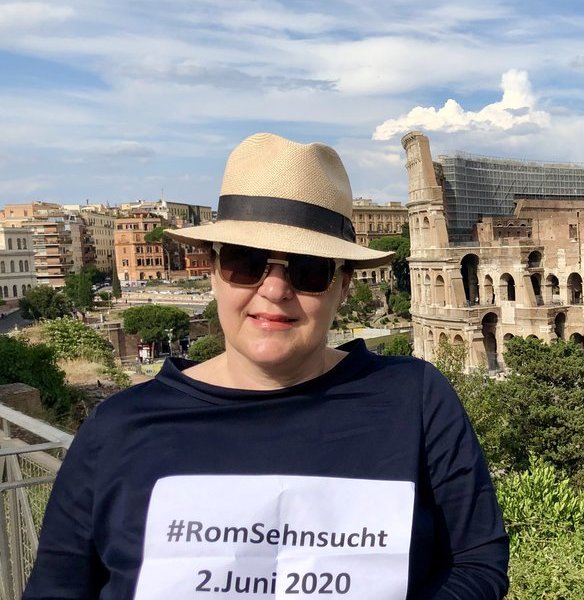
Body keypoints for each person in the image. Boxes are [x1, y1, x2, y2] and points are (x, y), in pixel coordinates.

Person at [25, 133, 509, 599]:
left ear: (343, 286)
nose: (275, 291)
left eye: (309, 270)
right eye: (246, 261)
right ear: (211, 270)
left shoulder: (416, 400)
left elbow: (476, 563)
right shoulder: (117, 428)